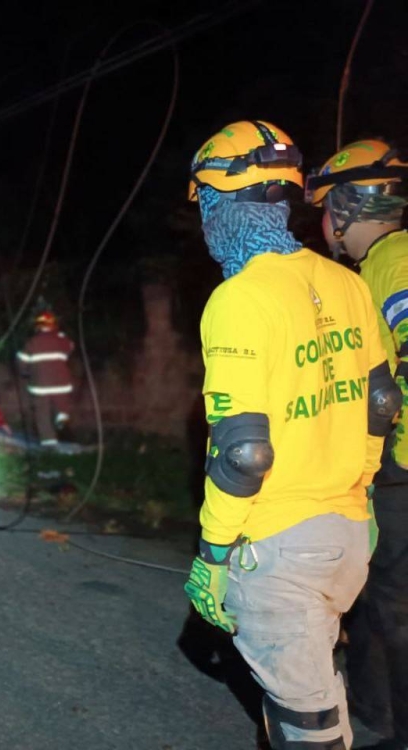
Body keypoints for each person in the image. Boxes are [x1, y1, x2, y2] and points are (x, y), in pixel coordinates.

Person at [182, 120, 399, 749]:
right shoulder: (347, 282)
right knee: (316, 698)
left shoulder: (240, 298)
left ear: (221, 202)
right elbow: (381, 403)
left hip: (276, 547)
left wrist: (215, 554)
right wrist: (359, 495)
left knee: (310, 728)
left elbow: (244, 452)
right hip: (349, 536)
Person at [308, 139, 408, 749]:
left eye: (323, 208)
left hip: (401, 467)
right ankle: (376, 713)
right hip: (390, 469)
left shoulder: (391, 267)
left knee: (395, 609)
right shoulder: (378, 267)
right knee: (375, 602)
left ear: (345, 208)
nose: (321, 223)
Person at [16, 310, 75, 447]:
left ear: (37, 326)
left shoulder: (32, 342)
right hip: (61, 383)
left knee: (42, 413)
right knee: (61, 403)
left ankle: (49, 442)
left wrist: (25, 373)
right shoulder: (61, 340)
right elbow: (70, 347)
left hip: (40, 385)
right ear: (54, 325)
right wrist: (61, 335)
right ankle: (62, 416)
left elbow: (22, 361)